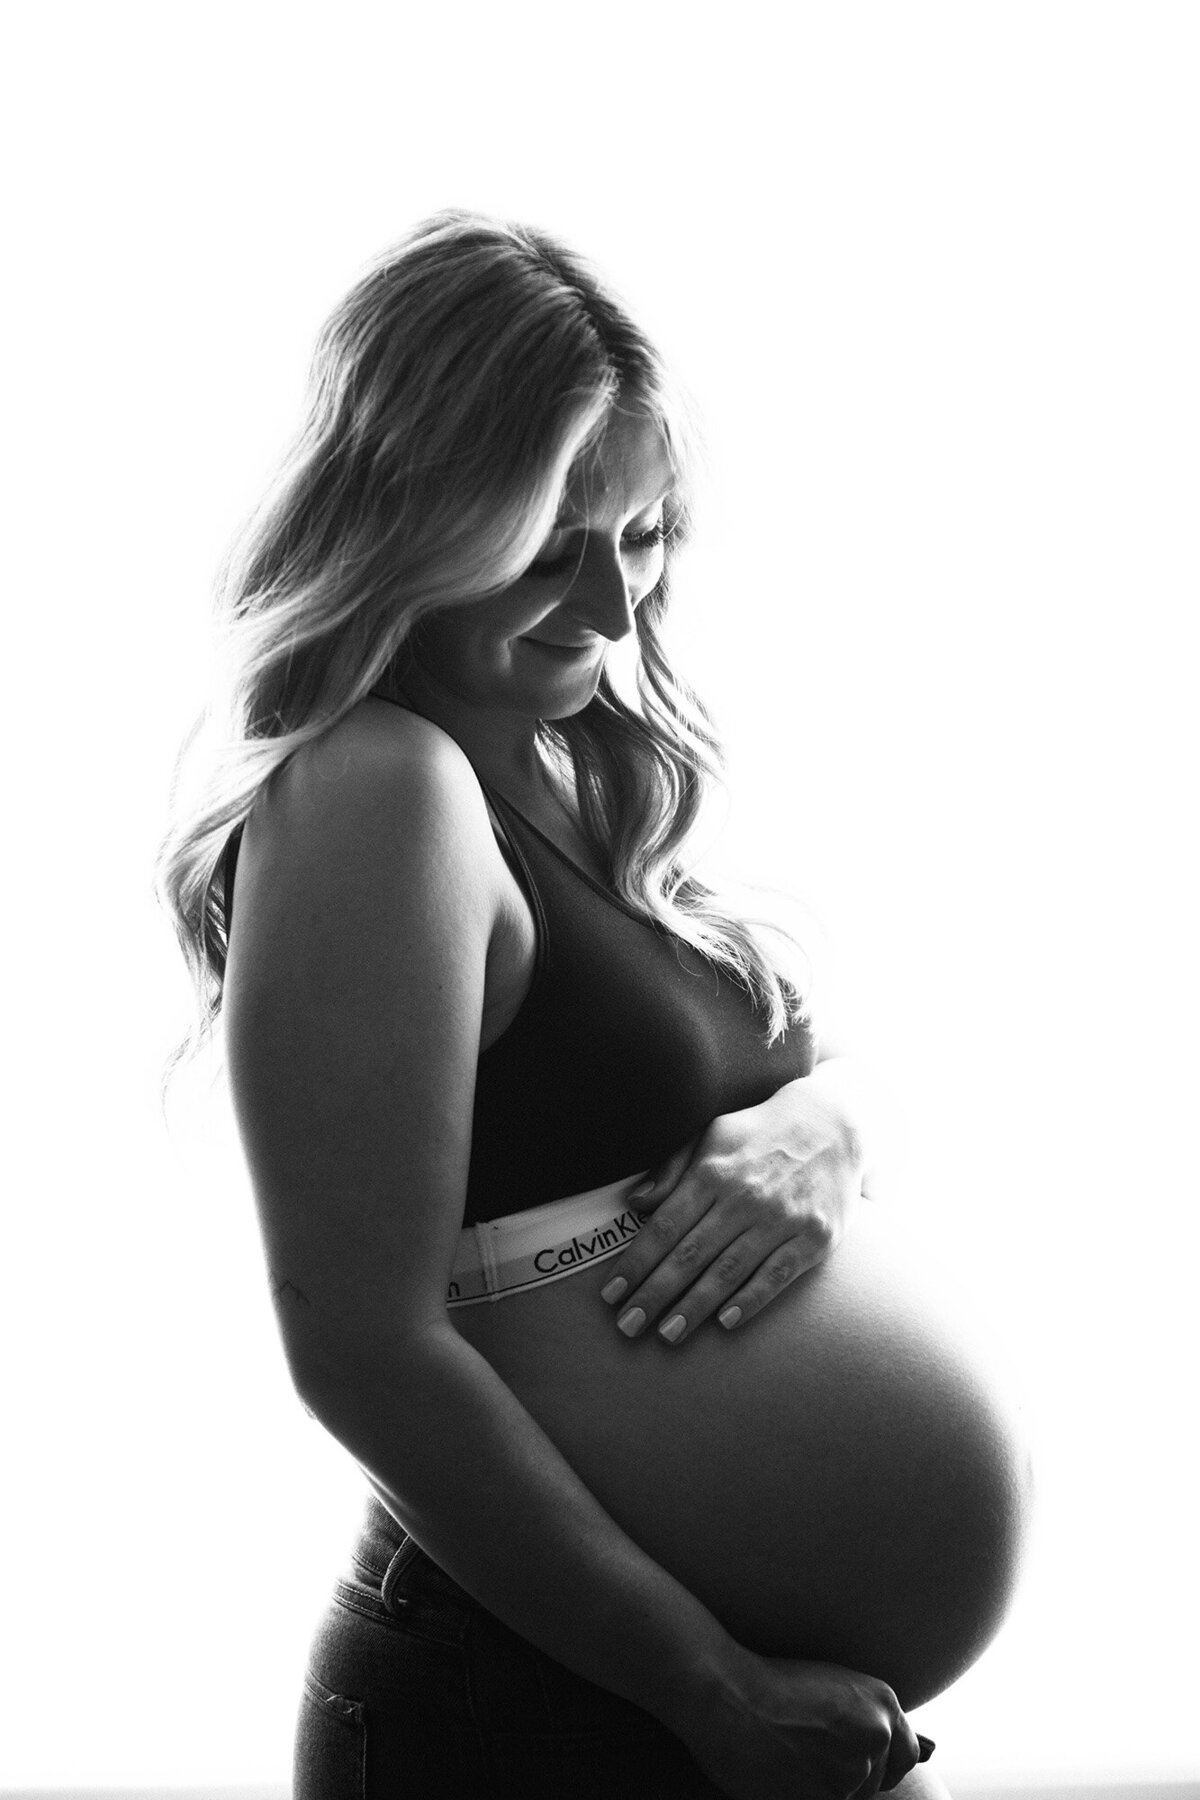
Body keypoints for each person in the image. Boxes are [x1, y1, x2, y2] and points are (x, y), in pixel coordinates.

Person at [157, 210, 1029, 1799]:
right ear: (415, 510)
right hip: (542, 1695)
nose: (614, 613)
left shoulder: (577, 772)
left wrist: (829, 1124)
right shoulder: (379, 789)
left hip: (693, 1703)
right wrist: (707, 1686)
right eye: (553, 545)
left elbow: (814, 1068)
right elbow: (359, 1342)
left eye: (641, 541)